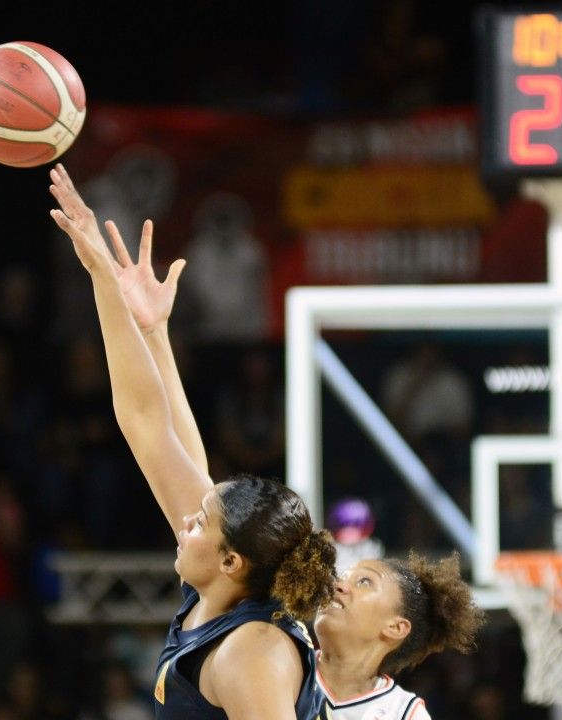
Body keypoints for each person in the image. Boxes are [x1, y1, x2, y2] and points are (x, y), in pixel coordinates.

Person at [47, 163, 336, 719]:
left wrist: (101, 275)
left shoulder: (253, 652)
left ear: (231, 561)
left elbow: (147, 424)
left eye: (201, 521)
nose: (186, 521)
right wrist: (150, 330)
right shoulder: (223, 593)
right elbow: (149, 426)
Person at [311, 553, 484, 719]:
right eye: (341, 578)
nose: (337, 585)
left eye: (364, 582)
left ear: (396, 627)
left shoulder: (403, 713)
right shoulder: (295, 659)